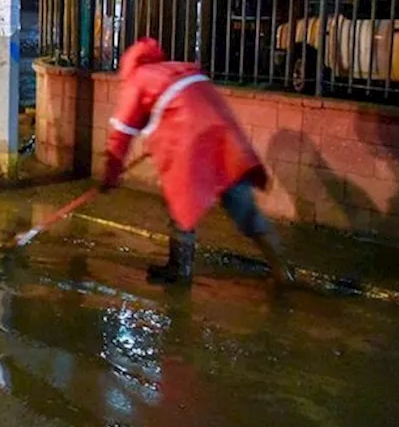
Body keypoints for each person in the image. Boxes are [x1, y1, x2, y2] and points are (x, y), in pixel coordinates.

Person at [103, 38, 293, 285]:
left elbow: (122, 133)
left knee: (180, 205)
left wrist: (110, 174)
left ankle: (179, 270)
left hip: (192, 147)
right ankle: (283, 273)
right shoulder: (179, 70)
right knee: (244, 208)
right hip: (225, 140)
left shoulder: (139, 79)